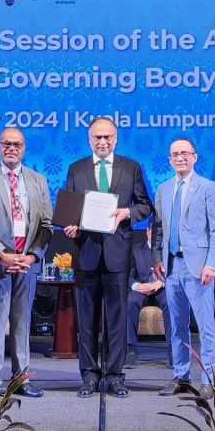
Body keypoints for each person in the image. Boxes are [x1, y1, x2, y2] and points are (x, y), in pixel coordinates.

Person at [63, 117, 153, 398]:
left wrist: (128, 213)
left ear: (116, 138)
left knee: (117, 320)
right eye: (97, 137)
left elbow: (145, 205)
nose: (102, 142)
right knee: (87, 321)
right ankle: (89, 375)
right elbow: (68, 211)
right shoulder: (76, 169)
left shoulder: (131, 167)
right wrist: (69, 225)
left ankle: (115, 376)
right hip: (86, 252)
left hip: (118, 254)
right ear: (89, 139)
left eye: (107, 137)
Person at [0, 127, 52, 397]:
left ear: (24, 148)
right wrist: (2, 254)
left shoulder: (38, 180)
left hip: (27, 263)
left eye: (17, 144)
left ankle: (21, 379)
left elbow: (47, 225)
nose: (11, 148)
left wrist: (32, 255)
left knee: (22, 323)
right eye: (7, 144)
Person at [150, 138, 215, 399]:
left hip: (199, 267)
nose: (179, 158)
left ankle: (210, 379)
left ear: (194, 157)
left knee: (206, 326)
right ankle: (181, 375)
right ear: (169, 159)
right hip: (171, 266)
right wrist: (157, 258)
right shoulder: (163, 189)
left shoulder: (208, 187)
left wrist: (212, 264)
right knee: (176, 326)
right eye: (174, 154)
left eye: (184, 153)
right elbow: (158, 227)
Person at [125, 224, 171, 369]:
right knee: (130, 302)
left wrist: (161, 283)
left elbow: (175, 274)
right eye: (154, 232)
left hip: (161, 288)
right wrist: (136, 286)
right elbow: (128, 273)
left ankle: (173, 350)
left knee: (171, 303)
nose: (156, 236)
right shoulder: (136, 249)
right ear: (147, 232)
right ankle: (130, 349)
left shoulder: (169, 250)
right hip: (141, 288)